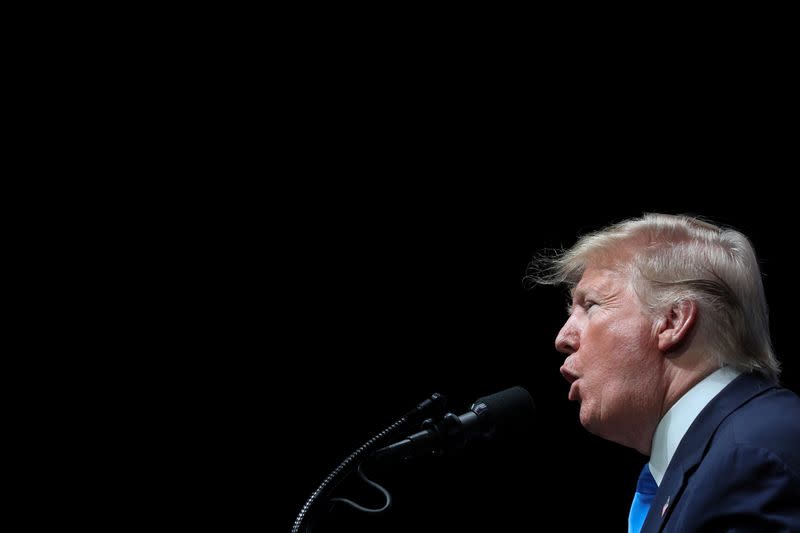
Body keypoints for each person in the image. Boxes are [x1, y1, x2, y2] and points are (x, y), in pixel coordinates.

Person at [530, 213, 800, 532]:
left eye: (590, 305)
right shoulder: (721, 457)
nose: (563, 338)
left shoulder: (751, 456)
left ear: (672, 321)